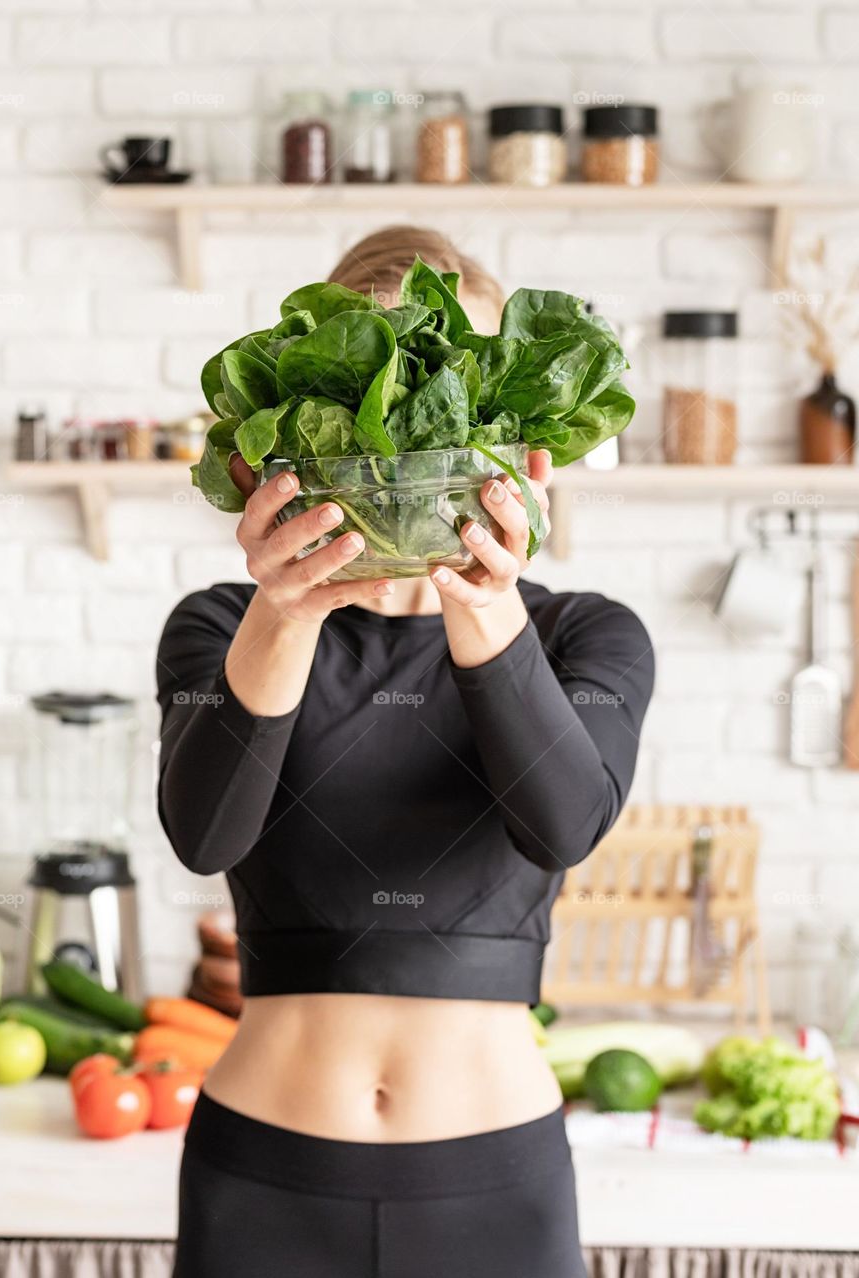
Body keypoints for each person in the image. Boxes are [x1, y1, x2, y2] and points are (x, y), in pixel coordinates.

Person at [157, 225, 654, 1278]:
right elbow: (205, 836)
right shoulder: (221, 623)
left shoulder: (583, 636)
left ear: (517, 433)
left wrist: (485, 607)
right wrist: (283, 616)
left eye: (455, 394)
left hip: (497, 1184)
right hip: (262, 1177)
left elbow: (564, 823)